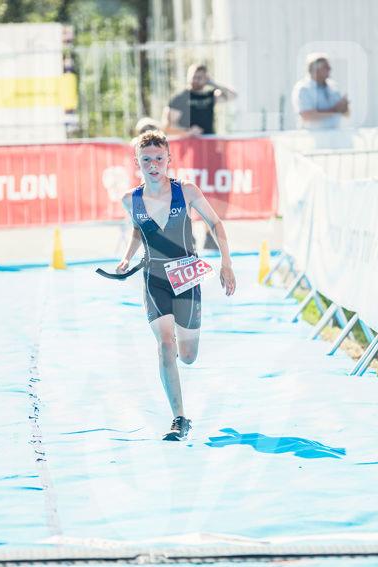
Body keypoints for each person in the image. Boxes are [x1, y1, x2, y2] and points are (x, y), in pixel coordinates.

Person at [117, 130, 236, 441]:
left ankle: (179, 359)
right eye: (146, 160)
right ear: (137, 163)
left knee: (188, 355)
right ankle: (179, 418)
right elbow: (138, 230)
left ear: (169, 159)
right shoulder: (130, 200)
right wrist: (127, 258)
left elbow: (215, 223)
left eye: (159, 158)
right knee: (165, 345)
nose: (153, 165)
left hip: (186, 277)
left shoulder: (187, 191)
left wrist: (226, 263)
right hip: (154, 279)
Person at [162, 63, 236, 136]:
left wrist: (212, 83)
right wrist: (188, 131)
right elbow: (166, 127)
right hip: (188, 142)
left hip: (209, 141)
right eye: (194, 77)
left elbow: (232, 95)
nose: (196, 80)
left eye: (200, 77)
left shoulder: (209, 96)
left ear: (206, 78)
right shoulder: (180, 99)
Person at [291, 53, 349, 130]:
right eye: (326, 67)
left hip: (335, 133)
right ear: (315, 70)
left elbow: (344, 113)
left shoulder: (333, 86)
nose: (330, 69)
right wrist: (334, 110)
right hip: (312, 135)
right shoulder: (303, 89)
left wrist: (344, 107)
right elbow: (307, 115)